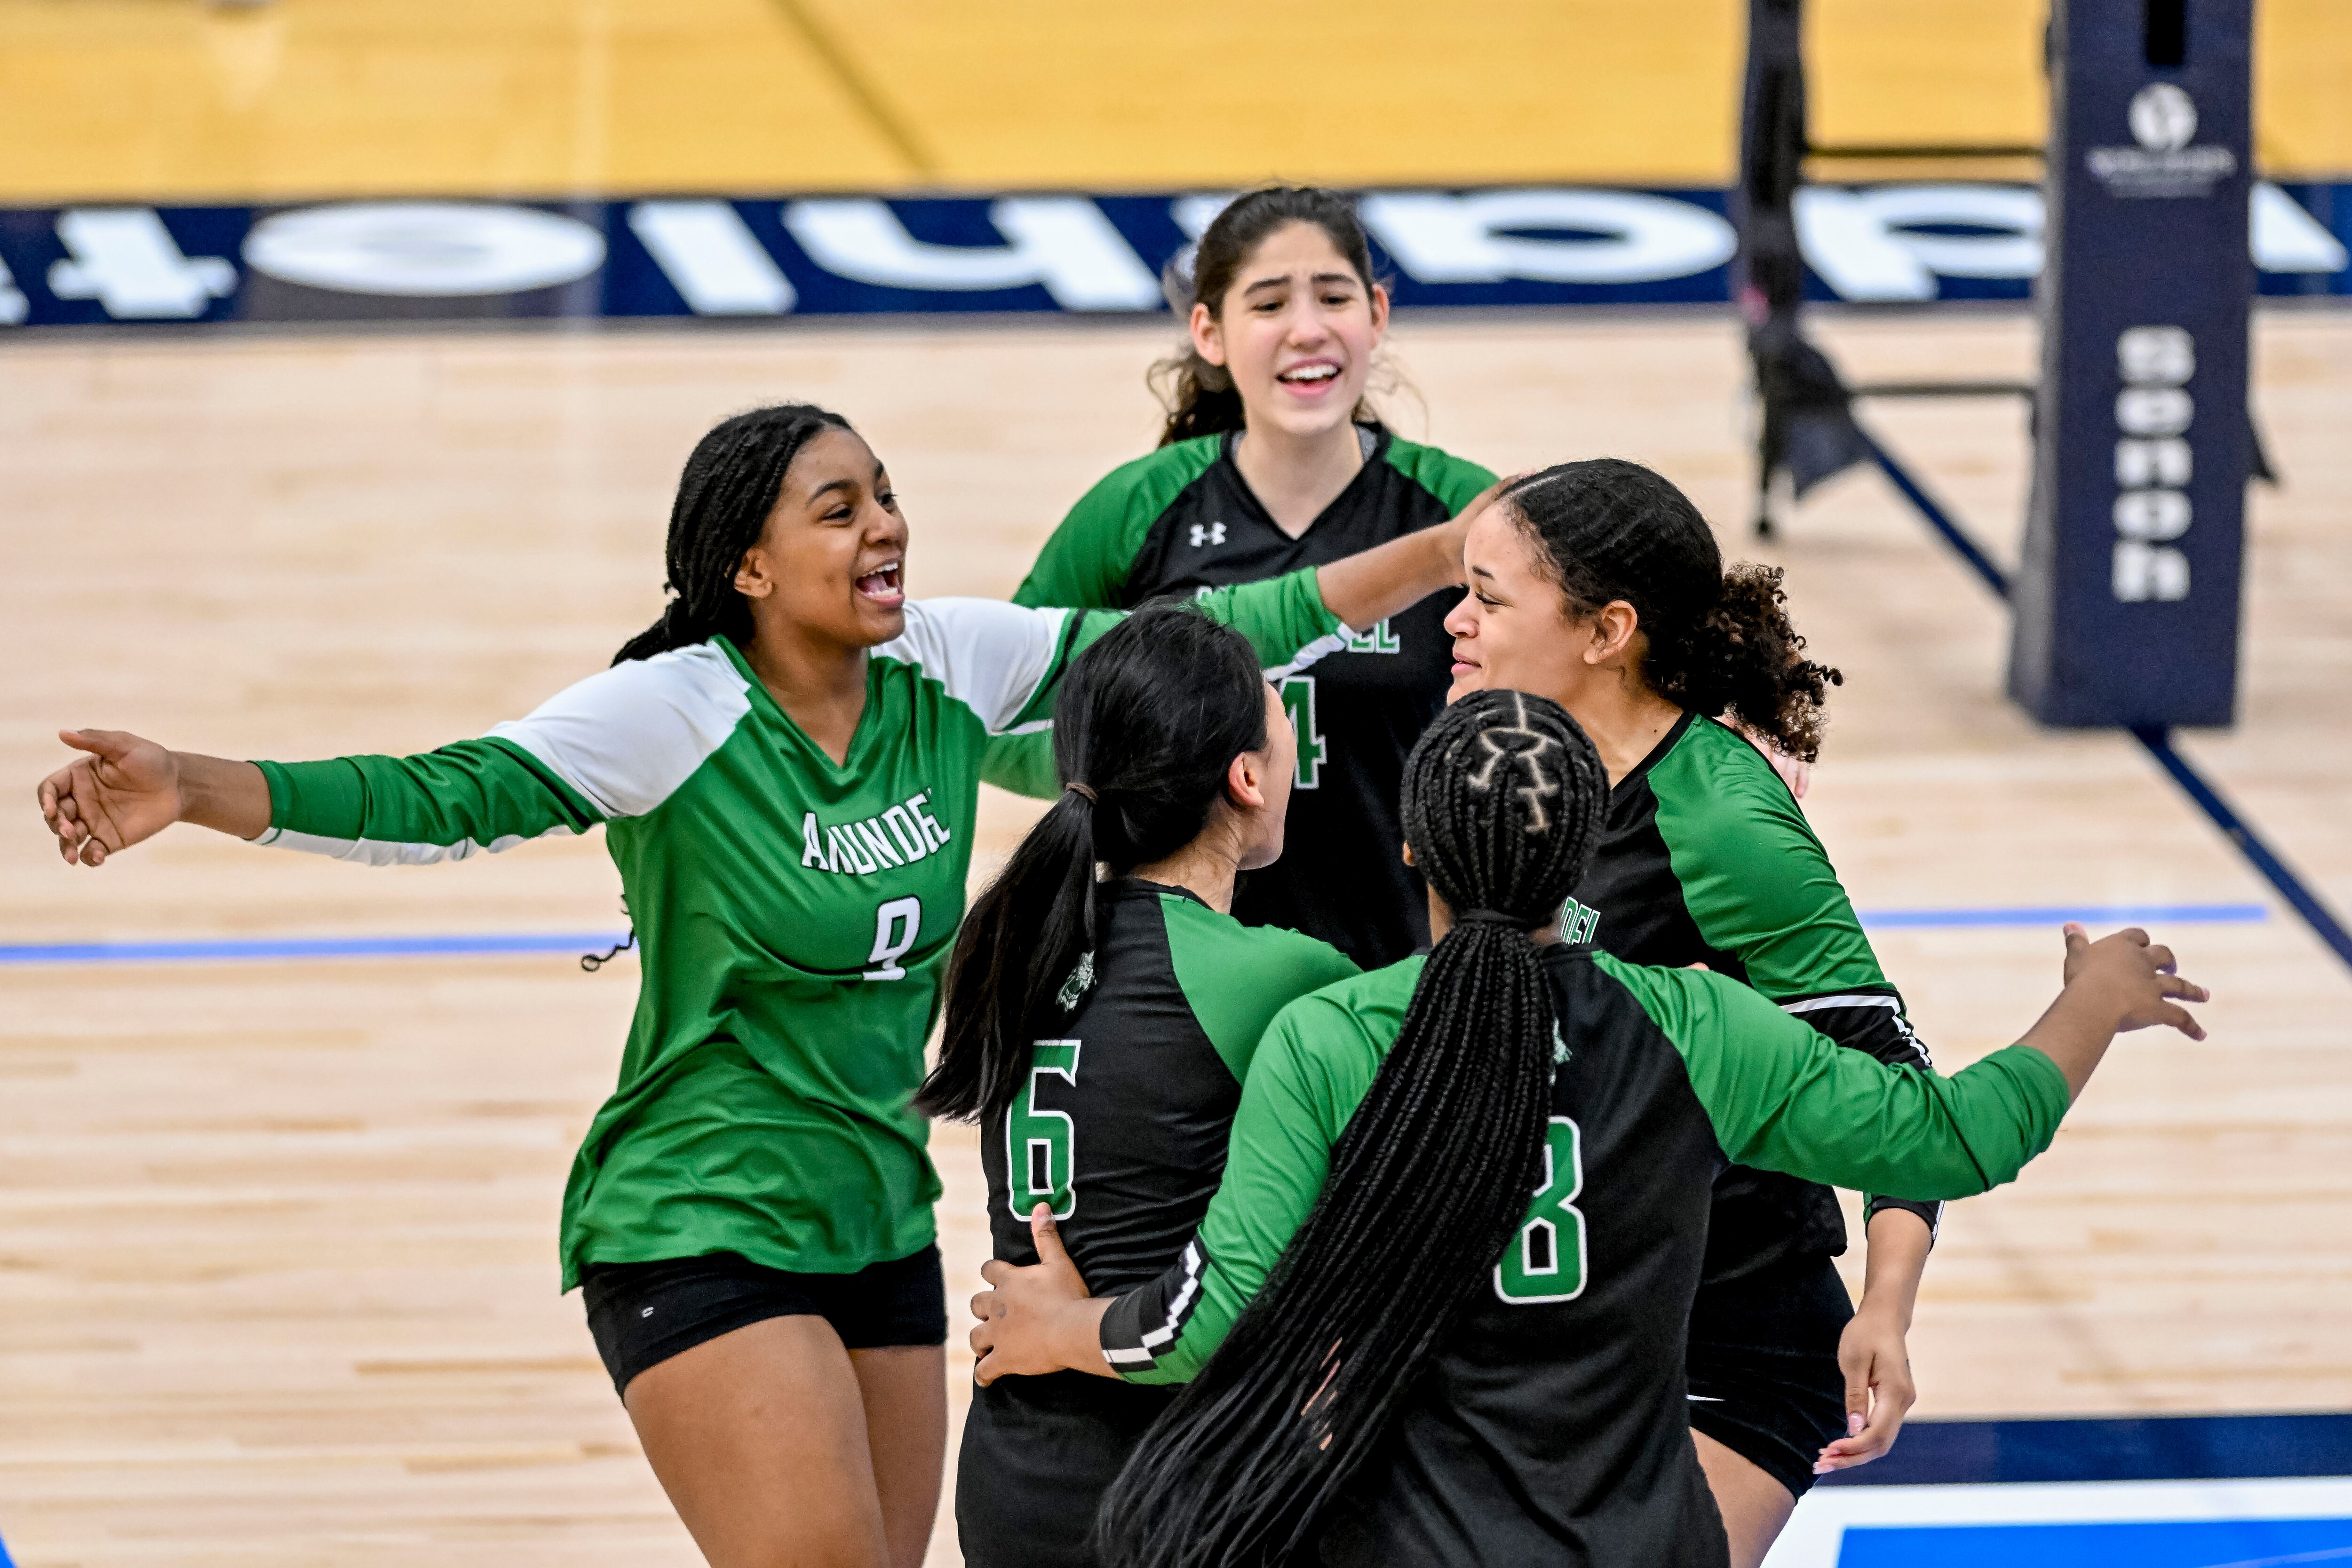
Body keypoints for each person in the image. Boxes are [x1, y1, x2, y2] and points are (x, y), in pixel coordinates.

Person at [32, 403, 1470, 1568]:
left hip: (878, 1216)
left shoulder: (947, 664)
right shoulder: (675, 710)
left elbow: (1219, 635)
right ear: (750, 566)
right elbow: (442, 791)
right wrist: (198, 789)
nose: (885, 522)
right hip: (698, 1209)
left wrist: (1443, 551)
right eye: (837, 507)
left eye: (886, 493)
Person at [970, 690, 2206, 1567]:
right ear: (1585, 854)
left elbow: (1223, 1305)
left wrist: (1064, 1327)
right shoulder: (1699, 1026)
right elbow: (1961, 1137)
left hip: (1398, 1535)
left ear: (1411, 846)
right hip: (1640, 1533)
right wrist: (2087, 1005)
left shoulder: (1333, 1034)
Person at [1438, 457, 1956, 1561]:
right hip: (1553, 1309)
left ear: (1604, 629)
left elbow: (1892, 1079)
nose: (1456, 619)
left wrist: (1887, 1305)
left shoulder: (1717, 818)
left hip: (1720, 1331)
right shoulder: (1492, 757)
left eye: (1488, 597)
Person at [922, 607, 1359, 1567]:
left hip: (1013, 1472)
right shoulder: (1280, 976)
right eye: (1283, 726)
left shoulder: (1009, 944)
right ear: (1246, 777)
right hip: (1181, 1477)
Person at [986, 185, 1498, 969]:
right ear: (1210, 332)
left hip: (1403, 979)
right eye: (1268, 304)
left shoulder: (1460, 508)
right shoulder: (1135, 508)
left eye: (1334, 296)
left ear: (1378, 316)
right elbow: (1003, 712)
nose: (1307, 329)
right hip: (1181, 987)